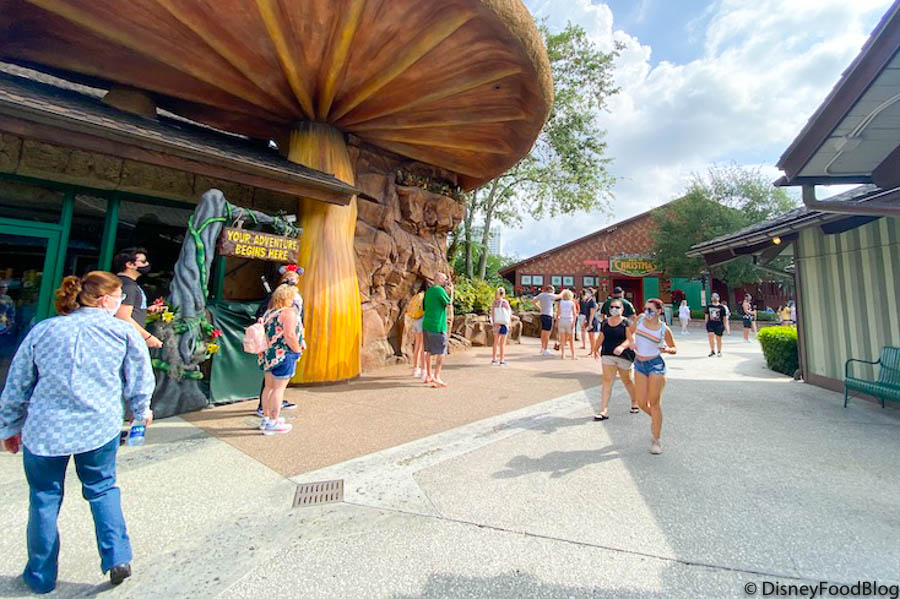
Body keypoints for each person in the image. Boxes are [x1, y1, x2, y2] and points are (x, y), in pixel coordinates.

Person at [0, 271, 155, 593]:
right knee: (102, 488)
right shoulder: (122, 332)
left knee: (43, 498)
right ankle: (117, 557)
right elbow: (140, 375)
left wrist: (9, 425)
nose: (121, 302)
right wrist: (141, 411)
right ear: (104, 300)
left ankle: (40, 577)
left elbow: (18, 382)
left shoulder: (45, 330)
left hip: (45, 428)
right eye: (119, 297)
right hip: (98, 425)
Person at [616, 298, 676, 455]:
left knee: (654, 402)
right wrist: (630, 342)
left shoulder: (663, 329)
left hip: (655, 365)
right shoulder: (640, 319)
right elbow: (629, 331)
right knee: (641, 402)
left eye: (651, 310)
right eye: (645, 309)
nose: (647, 312)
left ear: (659, 311)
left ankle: (656, 439)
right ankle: (657, 419)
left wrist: (667, 350)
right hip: (639, 364)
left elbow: (674, 348)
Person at [254, 267, 303, 417]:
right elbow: (289, 334)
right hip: (283, 351)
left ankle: (266, 418)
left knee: (269, 387)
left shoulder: (271, 311)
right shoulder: (287, 312)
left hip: (269, 352)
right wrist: (297, 350)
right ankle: (273, 419)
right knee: (278, 388)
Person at [593, 298, 638, 420]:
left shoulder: (626, 323)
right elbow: (601, 336)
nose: (614, 309)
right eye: (612, 307)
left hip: (624, 355)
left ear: (622, 309)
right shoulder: (605, 322)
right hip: (608, 353)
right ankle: (603, 410)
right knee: (607, 380)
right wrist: (595, 348)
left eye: (617, 307)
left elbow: (631, 339)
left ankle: (635, 401)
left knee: (627, 380)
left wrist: (622, 347)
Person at [113, 248, 165, 349]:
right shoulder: (128, 286)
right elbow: (122, 316)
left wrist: (146, 310)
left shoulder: (126, 284)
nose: (147, 264)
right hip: (126, 339)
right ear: (129, 264)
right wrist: (148, 337)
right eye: (143, 261)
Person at [423, 273, 452, 388]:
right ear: (439, 279)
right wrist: (451, 292)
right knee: (441, 352)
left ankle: (429, 375)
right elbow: (449, 303)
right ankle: (437, 376)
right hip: (437, 325)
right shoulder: (440, 290)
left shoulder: (429, 291)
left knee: (428, 351)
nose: (446, 281)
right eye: (444, 279)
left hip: (427, 324)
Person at [406, 284, 427, 378]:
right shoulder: (425, 296)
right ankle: (423, 370)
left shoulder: (416, 296)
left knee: (417, 345)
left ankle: (415, 369)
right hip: (422, 320)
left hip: (415, 320)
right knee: (423, 347)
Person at [532, 285, 559, 356]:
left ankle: (542, 348)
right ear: (549, 290)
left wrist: (539, 308)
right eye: (553, 290)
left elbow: (533, 302)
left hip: (543, 314)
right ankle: (545, 349)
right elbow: (559, 296)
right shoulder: (549, 295)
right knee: (547, 333)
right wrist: (565, 292)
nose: (553, 292)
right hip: (548, 315)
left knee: (543, 332)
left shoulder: (541, 295)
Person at [489, 288, 512, 365]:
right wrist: (509, 323)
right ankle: (502, 360)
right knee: (502, 343)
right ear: (503, 294)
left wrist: (493, 322)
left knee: (495, 342)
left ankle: (494, 359)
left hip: (496, 323)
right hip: (504, 323)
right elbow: (509, 313)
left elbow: (492, 314)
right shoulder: (505, 302)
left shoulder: (494, 303)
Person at [556, 289, 577, 360]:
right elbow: (574, 314)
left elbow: (558, 313)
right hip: (569, 320)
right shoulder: (572, 303)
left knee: (562, 339)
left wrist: (557, 321)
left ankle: (563, 354)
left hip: (562, 319)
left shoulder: (560, 303)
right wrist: (574, 323)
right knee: (571, 339)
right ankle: (573, 355)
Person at [705, 293, 727, 357]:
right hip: (710, 324)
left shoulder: (722, 307)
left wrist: (724, 325)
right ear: (711, 298)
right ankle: (712, 351)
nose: (715, 298)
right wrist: (706, 324)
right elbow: (706, 316)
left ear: (718, 298)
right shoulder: (709, 307)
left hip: (719, 324)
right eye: (713, 297)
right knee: (710, 335)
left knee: (718, 338)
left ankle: (719, 351)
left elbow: (724, 317)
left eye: (716, 297)